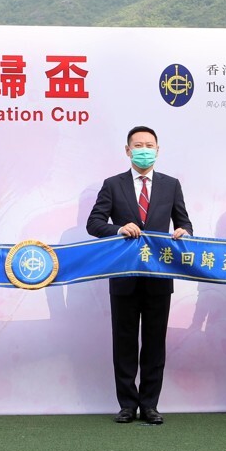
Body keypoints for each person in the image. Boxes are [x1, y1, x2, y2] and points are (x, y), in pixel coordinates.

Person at [87, 125, 192, 425]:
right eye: (138, 145)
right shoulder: (112, 184)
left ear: (158, 150)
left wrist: (184, 232)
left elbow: (184, 222)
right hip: (124, 276)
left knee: (155, 342)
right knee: (124, 341)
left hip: (159, 276)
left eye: (150, 145)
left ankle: (149, 405)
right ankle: (126, 405)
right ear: (127, 150)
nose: (144, 149)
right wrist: (118, 229)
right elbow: (94, 223)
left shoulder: (171, 185)